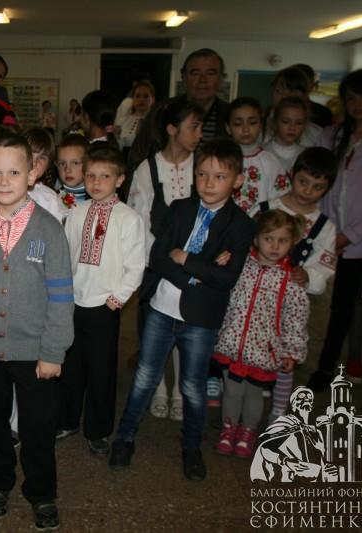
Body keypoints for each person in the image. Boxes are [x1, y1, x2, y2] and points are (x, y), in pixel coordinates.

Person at [110, 138, 256, 481]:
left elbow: (226, 278)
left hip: (201, 320)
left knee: (192, 387)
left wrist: (187, 258)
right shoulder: (179, 209)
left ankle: (191, 448)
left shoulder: (241, 225)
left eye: (219, 176)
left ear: (237, 180)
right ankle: (124, 438)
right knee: (144, 377)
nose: (208, 182)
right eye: (202, 174)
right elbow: (159, 257)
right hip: (161, 309)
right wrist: (197, 274)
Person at [0, 133, 73, 531]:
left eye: (14, 172)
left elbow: (61, 295)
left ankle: (42, 492)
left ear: (32, 175)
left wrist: (53, 351)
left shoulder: (49, 229)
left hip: (36, 352)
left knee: (37, 426)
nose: (4, 180)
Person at [59, 145, 145, 456]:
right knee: (71, 367)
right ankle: (67, 419)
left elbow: (135, 264)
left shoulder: (128, 219)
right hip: (74, 301)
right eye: (91, 176)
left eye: (105, 176)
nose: (96, 182)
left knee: (101, 371)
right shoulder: (76, 213)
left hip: (104, 306)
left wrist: (118, 297)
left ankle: (98, 430)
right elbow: (67, 255)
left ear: (119, 180)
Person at [127, 97, 204, 419]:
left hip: (194, 260)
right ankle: (158, 387)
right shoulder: (148, 168)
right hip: (156, 263)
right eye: (193, 127)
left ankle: (181, 391)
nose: (199, 133)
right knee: (155, 329)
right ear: (172, 129)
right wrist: (159, 260)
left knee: (188, 327)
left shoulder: (202, 164)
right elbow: (138, 219)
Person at [248, 148, 337, 423]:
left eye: (318, 187)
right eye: (303, 182)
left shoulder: (325, 226)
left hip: (289, 306)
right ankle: (246, 404)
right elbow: (243, 244)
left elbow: (325, 268)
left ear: (328, 189)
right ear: (292, 176)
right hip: (254, 298)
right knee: (251, 348)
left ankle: (278, 411)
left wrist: (308, 275)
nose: (308, 191)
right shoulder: (264, 209)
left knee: (284, 354)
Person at [212, 210, 309, 458]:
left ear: (292, 243)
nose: (275, 246)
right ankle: (228, 428)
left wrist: (292, 352)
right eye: (268, 239)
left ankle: (248, 431)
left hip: (263, 352)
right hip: (232, 344)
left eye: (282, 240)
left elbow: (296, 320)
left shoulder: (291, 281)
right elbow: (222, 293)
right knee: (232, 391)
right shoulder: (241, 266)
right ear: (256, 239)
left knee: (254, 395)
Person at [307, 68, 362, 390]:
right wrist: (323, 233)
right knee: (323, 302)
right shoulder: (331, 136)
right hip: (326, 233)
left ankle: (331, 365)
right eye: (351, 98)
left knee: (349, 306)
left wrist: (348, 236)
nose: (357, 104)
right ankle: (319, 364)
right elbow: (317, 183)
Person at [250, 387, 337, 482]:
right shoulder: (285, 424)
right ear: (294, 404)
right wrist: (285, 461)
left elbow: (320, 458)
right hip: (285, 475)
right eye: (301, 397)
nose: (306, 399)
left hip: (311, 477)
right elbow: (264, 448)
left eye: (309, 397)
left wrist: (327, 468)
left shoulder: (316, 432)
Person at [226, 97, 282, 212]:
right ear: (228, 128)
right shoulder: (220, 160)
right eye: (238, 124)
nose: (246, 129)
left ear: (260, 125)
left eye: (252, 123)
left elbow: (280, 200)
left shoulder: (271, 162)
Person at [264, 97, 313, 201]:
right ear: (275, 122)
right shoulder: (262, 153)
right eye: (286, 122)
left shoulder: (309, 156)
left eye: (298, 123)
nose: (292, 127)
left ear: (305, 125)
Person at [264, 66, 323, 146]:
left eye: (291, 92)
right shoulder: (258, 126)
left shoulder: (317, 134)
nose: (284, 96)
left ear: (304, 96)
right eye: (279, 91)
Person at [179, 48, 229, 142]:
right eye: (196, 74)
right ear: (184, 78)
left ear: (221, 79)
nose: (203, 80)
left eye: (210, 74)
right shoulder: (165, 112)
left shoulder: (231, 115)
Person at [24, 127, 69, 220]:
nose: (34, 162)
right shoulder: (3, 189)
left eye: (42, 158)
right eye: (30, 154)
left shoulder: (50, 198)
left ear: (48, 165)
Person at [115, 80, 155, 150]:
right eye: (138, 96)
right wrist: (116, 136)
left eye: (146, 96)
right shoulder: (122, 121)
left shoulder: (155, 122)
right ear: (133, 99)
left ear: (153, 99)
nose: (141, 100)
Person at [291, 63, 334, 128]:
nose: (300, 87)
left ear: (312, 85)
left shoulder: (323, 113)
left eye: (304, 82)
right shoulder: (279, 109)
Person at [56, 134, 91, 208]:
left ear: (88, 164)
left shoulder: (97, 199)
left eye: (75, 163)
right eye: (62, 163)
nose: (67, 170)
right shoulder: (51, 197)